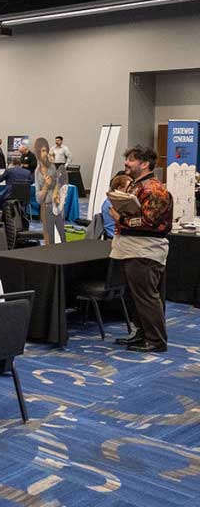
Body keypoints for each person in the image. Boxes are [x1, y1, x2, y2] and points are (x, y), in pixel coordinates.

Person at [112, 145, 173, 353]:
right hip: (131, 247)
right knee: (135, 295)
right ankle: (142, 333)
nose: (126, 163)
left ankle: (156, 341)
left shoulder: (155, 189)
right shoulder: (135, 185)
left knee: (146, 297)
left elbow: (149, 221)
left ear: (145, 164)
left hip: (146, 249)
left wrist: (121, 218)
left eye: (131, 159)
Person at [35, 144, 67, 244]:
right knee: (50, 236)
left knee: (62, 233)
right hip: (48, 206)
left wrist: (57, 194)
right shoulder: (39, 171)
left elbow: (60, 183)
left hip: (57, 206)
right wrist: (47, 186)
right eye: (49, 157)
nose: (51, 158)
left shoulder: (55, 170)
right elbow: (39, 196)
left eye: (51, 156)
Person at [101, 174, 133, 239]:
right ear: (119, 188)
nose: (131, 190)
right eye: (128, 187)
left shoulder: (111, 200)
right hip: (115, 236)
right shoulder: (113, 203)